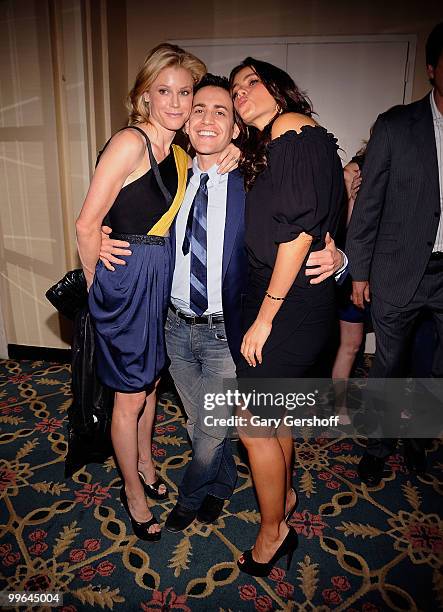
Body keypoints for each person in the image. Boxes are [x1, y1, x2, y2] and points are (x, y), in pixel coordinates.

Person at [99, 75, 345, 535]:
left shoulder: (254, 180)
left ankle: (191, 496)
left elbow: (310, 217)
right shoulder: (167, 176)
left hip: (222, 330)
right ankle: (221, 483)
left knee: (213, 429)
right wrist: (98, 238)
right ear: (185, 125)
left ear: (236, 129)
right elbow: (121, 211)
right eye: (199, 110)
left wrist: (340, 256)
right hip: (172, 323)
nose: (207, 119)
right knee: (200, 421)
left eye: (221, 111)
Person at [75, 44, 238, 542]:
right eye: (163, 91)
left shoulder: (182, 153)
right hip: (125, 285)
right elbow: (86, 225)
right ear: (144, 96)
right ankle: (133, 492)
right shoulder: (130, 143)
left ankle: (145, 461)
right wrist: (99, 294)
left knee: (147, 387)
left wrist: (235, 148)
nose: (174, 101)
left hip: (159, 284)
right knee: (129, 397)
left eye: (184, 91)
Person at [230, 58, 344, 576]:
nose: (240, 92)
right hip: (281, 296)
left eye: (252, 81)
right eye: (235, 88)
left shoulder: (292, 129)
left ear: (280, 89)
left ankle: (274, 532)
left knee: (251, 424)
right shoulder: (279, 143)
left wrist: (265, 317)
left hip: (287, 304)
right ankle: (287, 496)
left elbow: (299, 233)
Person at [346, 22, 443, 485]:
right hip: (399, 269)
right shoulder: (396, 126)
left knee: (435, 369)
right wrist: (359, 272)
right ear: (431, 69)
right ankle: (380, 445)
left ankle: (419, 438)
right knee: (388, 364)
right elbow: (369, 206)